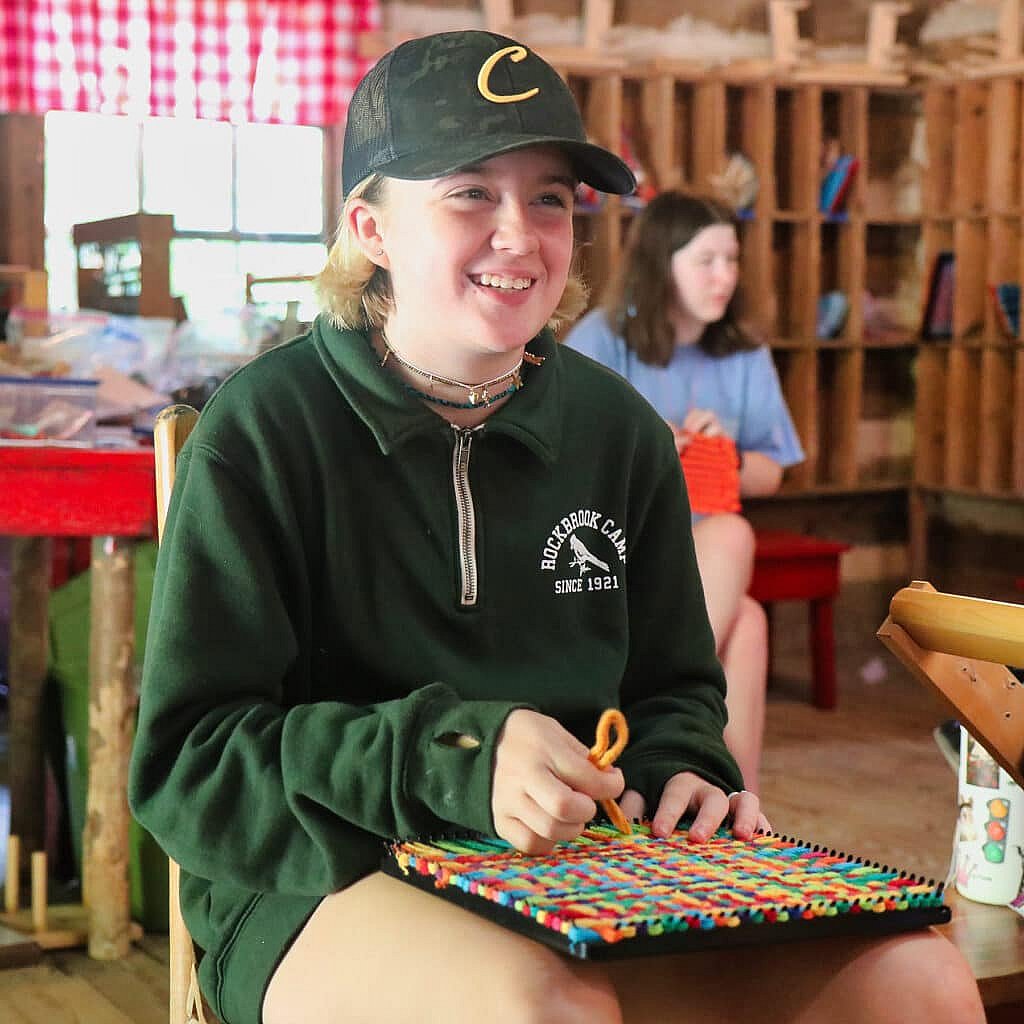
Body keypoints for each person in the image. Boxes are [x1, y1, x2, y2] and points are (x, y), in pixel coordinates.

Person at [129, 30, 984, 1024]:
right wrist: (456, 758)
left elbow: (670, 690)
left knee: (919, 981)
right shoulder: (263, 431)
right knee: (544, 1007)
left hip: (591, 871)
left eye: (549, 198)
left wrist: (685, 776)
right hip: (322, 874)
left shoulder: (617, 431)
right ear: (370, 226)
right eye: (470, 192)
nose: (519, 233)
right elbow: (192, 762)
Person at [564, 193, 805, 793]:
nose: (725, 275)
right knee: (735, 553)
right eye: (707, 260)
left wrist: (720, 452)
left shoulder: (744, 349)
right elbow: (567, 458)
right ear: (660, 262)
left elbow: (770, 470)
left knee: (746, 618)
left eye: (732, 259)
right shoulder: (602, 336)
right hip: (616, 550)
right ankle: (717, 789)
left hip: (704, 559)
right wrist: (651, 450)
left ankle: (722, 798)